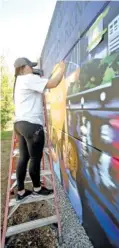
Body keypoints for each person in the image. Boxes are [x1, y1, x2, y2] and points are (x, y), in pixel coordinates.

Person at [13, 57, 65, 201]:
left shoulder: (18, 82)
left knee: (24, 158)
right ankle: (37, 188)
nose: (32, 69)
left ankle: (21, 192)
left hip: (20, 124)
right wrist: (61, 69)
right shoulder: (28, 78)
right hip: (32, 125)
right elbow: (53, 83)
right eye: (30, 66)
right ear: (23, 68)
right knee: (35, 158)